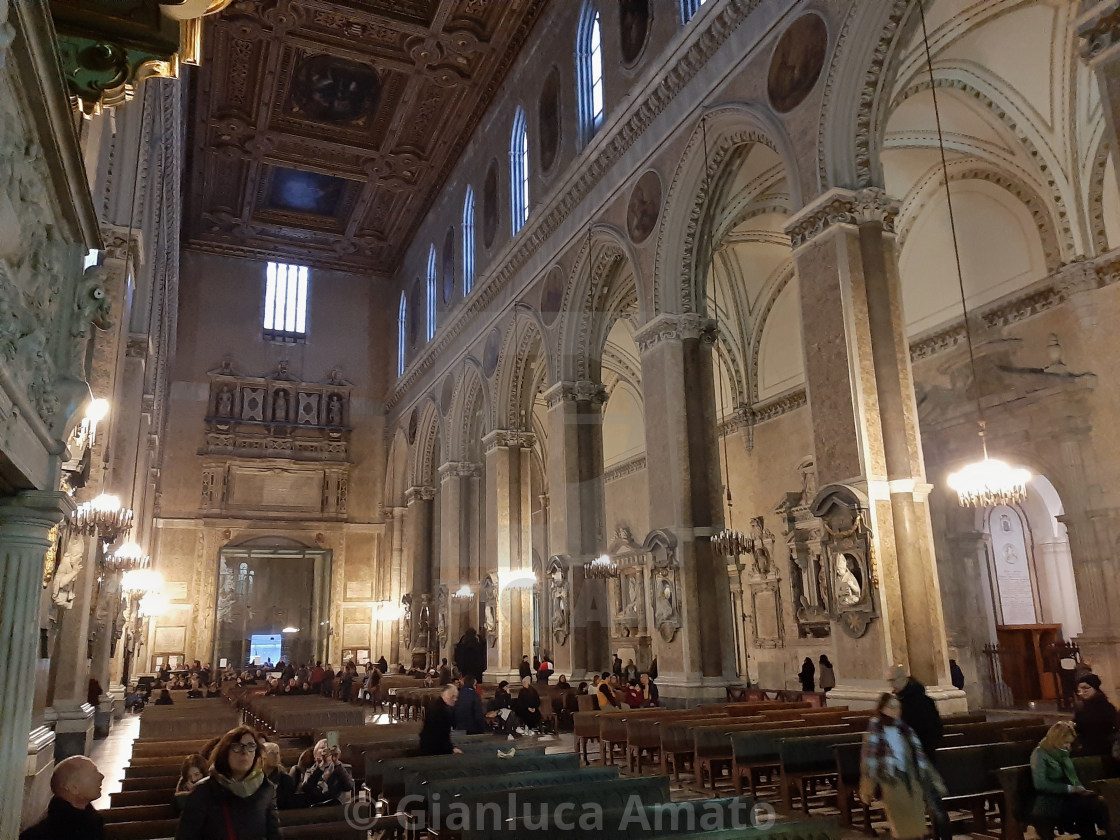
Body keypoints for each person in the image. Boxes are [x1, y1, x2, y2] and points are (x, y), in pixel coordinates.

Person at [860, 692, 946, 840]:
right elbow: (869, 761)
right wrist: (868, 787)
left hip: (912, 781)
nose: (896, 711)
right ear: (882, 709)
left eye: (898, 707)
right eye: (891, 707)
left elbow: (920, 758)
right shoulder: (875, 732)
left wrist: (935, 780)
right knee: (902, 828)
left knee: (918, 828)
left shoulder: (906, 730)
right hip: (892, 781)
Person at [175, 725, 279, 840]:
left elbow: (273, 834)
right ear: (225, 753)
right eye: (237, 746)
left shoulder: (265, 788)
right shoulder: (203, 791)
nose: (244, 752)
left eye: (251, 746)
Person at [887, 664, 949, 840]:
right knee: (933, 802)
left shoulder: (900, 706)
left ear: (903, 679)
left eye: (893, 680)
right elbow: (938, 730)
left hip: (914, 759)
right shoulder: (924, 700)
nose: (891, 685)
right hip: (926, 756)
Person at [1031, 721, 1110, 839]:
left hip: (1068, 797)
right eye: (1066, 742)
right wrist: (1070, 789)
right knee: (1087, 807)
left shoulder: (1063, 754)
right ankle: (1095, 833)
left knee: (1095, 801)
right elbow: (1041, 784)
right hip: (1050, 801)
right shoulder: (1040, 754)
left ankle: (1098, 833)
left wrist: (1081, 789)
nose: (1068, 746)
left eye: (1070, 743)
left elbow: (1073, 778)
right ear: (1056, 739)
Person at [19, 755, 105, 840]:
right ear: (73, 787)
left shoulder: (91, 822)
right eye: (93, 773)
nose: (101, 776)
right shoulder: (42, 835)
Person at [296, 738, 353, 806]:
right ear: (315, 755)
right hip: (316, 807)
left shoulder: (342, 768)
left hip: (337, 807)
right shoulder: (310, 771)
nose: (326, 750)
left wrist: (336, 762)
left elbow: (349, 786)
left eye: (329, 748)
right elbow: (306, 788)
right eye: (322, 747)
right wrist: (322, 766)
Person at [1073, 673, 1118, 758]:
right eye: (1080, 689)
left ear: (1095, 688)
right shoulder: (1082, 706)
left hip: (1102, 747)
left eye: (1086, 688)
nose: (1083, 691)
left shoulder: (1105, 706)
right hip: (1086, 745)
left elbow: (1110, 727)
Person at [420, 683, 464, 755]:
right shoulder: (441, 711)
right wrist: (451, 749)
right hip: (435, 751)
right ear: (450, 696)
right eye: (455, 697)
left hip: (429, 747)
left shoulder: (437, 704)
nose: (456, 700)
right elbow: (441, 736)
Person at [261, 743, 300, 810]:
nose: (276, 756)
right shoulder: (254, 777)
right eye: (271, 753)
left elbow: (286, 804)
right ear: (262, 755)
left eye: (277, 753)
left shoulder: (285, 779)